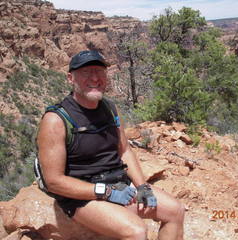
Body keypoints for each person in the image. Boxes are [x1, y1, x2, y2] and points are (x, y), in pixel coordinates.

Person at [36, 50, 185, 240]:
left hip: (118, 183)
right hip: (82, 195)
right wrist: (105, 192)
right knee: (137, 232)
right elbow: (54, 181)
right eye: (86, 72)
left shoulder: (110, 109)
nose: (95, 78)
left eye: (99, 71)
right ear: (70, 78)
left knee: (176, 211)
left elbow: (124, 151)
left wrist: (142, 187)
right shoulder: (56, 120)